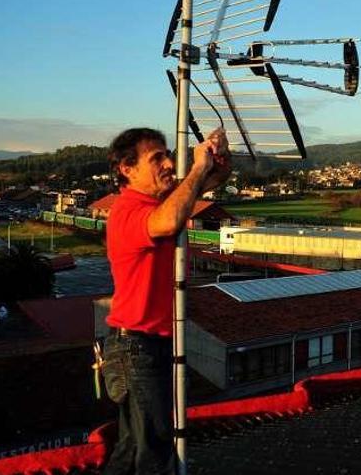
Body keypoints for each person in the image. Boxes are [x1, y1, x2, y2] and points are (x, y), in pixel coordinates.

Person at [102, 127, 231, 474]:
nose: (168, 163)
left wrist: (218, 155)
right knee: (153, 452)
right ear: (127, 169)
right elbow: (171, 219)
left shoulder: (160, 201)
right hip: (136, 345)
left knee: (133, 450)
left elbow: (212, 181)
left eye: (166, 155)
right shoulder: (128, 210)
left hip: (148, 344)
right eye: (156, 157)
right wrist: (195, 169)